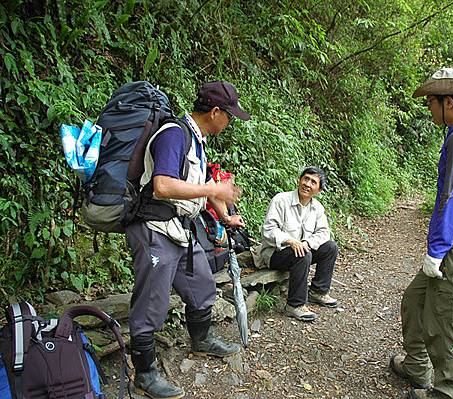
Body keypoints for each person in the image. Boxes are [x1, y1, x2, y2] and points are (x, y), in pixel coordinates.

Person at [126, 81, 250, 399]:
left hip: (181, 229)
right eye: (229, 115)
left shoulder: (196, 140)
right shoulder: (173, 134)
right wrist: (213, 192)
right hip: (155, 230)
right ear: (215, 112)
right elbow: (163, 186)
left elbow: (204, 181)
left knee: (202, 285)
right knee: (151, 303)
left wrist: (225, 216)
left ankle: (202, 339)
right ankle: (145, 374)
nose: (230, 122)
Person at [390, 68, 453, 399]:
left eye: (432, 103)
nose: (430, 109)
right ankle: (417, 368)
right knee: (413, 302)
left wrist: (437, 249)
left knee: (445, 324)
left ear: (449, 102)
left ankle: (448, 392)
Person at [260, 167, 339, 322]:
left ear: (319, 190)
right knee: (302, 253)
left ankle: (318, 292)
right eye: (306, 179)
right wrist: (290, 241)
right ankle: (294, 305)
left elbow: (324, 233)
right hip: (275, 253)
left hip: (301, 251)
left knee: (330, 247)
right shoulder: (281, 200)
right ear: (299, 180)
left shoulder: (317, 208)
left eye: (313, 182)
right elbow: (268, 231)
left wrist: (306, 243)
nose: (307, 184)